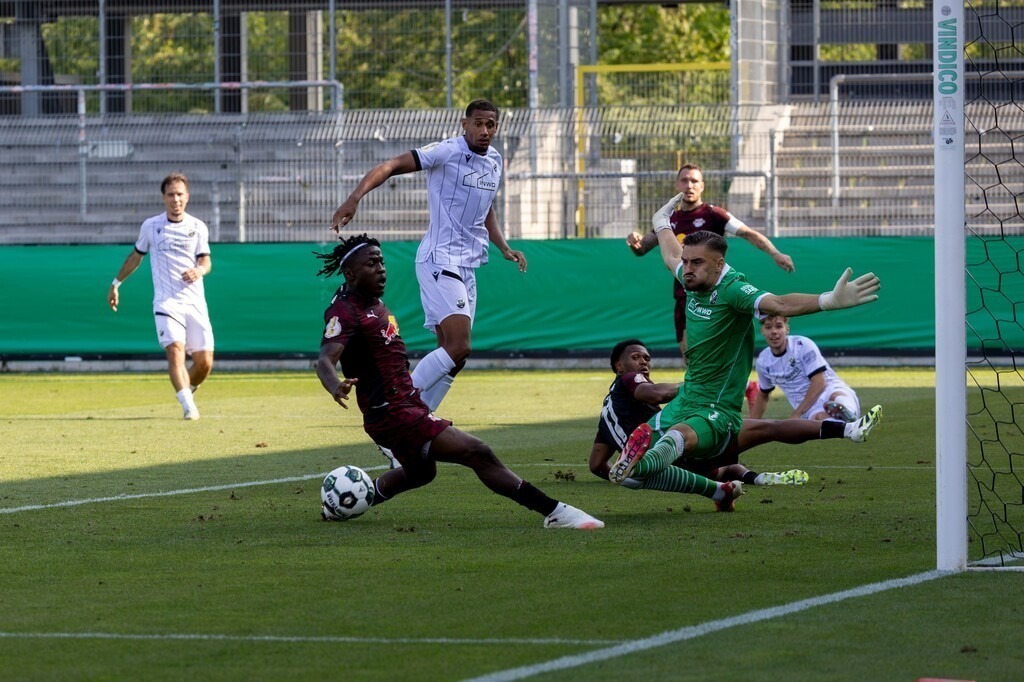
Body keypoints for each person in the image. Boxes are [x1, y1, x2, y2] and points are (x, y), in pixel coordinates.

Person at [314, 234, 603, 530]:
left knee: (420, 473)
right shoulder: (345, 311)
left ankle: (349, 502)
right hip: (394, 414)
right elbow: (325, 359)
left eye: (382, 262)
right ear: (350, 274)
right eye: (372, 264)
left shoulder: (369, 301)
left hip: (402, 406)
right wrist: (334, 384)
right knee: (477, 452)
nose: (381, 269)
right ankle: (554, 511)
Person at [607, 230, 883, 512]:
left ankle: (847, 426)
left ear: (718, 264)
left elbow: (780, 303)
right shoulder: (692, 277)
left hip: (715, 411)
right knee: (631, 477)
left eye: (696, 262)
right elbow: (670, 256)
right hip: (686, 401)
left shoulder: (733, 290)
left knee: (677, 437)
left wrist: (828, 300)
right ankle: (718, 493)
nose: (687, 268)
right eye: (687, 262)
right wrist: (662, 223)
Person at [330, 98, 526, 419]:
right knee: (459, 345)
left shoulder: (494, 161)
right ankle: (395, 406)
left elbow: (485, 206)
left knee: (454, 356)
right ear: (464, 124)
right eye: (478, 123)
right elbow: (390, 166)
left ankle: (416, 422)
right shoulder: (446, 151)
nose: (484, 130)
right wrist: (354, 198)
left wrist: (504, 247)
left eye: (491, 124)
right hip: (440, 259)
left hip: (467, 266)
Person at [591, 339, 833, 510]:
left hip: (650, 466)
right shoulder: (629, 380)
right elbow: (656, 393)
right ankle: (753, 479)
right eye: (636, 358)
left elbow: (596, 463)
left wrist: (613, 473)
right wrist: (696, 389)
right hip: (666, 452)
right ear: (618, 366)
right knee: (759, 433)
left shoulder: (609, 414)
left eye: (647, 358)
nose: (644, 362)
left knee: (716, 466)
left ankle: (735, 486)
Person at [626, 163, 795, 361]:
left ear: (702, 186)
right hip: (684, 295)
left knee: (714, 357)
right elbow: (642, 248)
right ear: (677, 185)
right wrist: (634, 241)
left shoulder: (714, 214)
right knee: (690, 357)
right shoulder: (668, 219)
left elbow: (748, 233)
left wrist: (775, 253)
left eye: (694, 181)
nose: (689, 185)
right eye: (685, 180)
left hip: (714, 295)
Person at [107, 172, 213, 420]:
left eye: (180, 194)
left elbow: (206, 260)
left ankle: (188, 390)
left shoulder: (198, 227)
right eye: (170, 195)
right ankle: (188, 406)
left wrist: (199, 270)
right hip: (167, 303)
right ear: (163, 198)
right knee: (175, 350)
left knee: (205, 363)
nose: (175, 199)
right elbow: (136, 256)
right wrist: (116, 283)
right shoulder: (151, 226)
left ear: (187, 197)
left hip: (195, 302)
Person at [749, 315, 862, 422]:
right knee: (819, 418)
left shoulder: (802, 345)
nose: (774, 332)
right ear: (762, 331)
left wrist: (796, 414)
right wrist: (750, 425)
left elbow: (819, 383)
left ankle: (848, 413)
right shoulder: (763, 361)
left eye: (779, 326)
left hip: (829, 389)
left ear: (787, 329)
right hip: (810, 408)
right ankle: (847, 423)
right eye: (768, 327)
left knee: (836, 396)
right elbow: (763, 395)